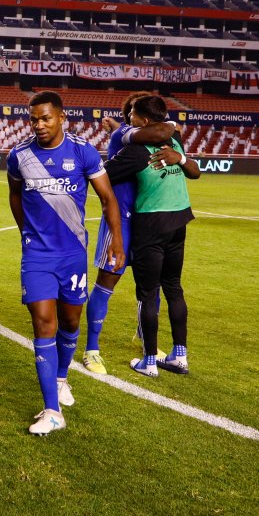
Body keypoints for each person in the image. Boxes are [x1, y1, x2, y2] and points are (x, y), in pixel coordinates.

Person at [8, 91, 125, 435]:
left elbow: (107, 198)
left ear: (61, 117)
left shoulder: (82, 151)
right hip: (37, 254)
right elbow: (15, 196)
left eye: (45, 118)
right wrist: (25, 232)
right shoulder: (19, 156)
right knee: (43, 321)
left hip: (72, 254)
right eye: (33, 119)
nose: (39, 125)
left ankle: (61, 378)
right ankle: (52, 410)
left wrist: (116, 239)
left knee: (70, 320)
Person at [102, 95, 201, 378]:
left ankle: (148, 361)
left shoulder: (136, 151)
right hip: (179, 221)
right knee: (174, 288)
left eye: (132, 114)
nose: (128, 118)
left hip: (151, 225)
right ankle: (180, 356)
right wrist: (178, 158)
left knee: (147, 293)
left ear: (143, 121)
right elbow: (193, 172)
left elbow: (103, 175)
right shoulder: (173, 142)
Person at [87, 92, 173, 375]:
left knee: (151, 286)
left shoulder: (143, 136)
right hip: (119, 221)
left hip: (146, 221)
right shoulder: (126, 135)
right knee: (106, 282)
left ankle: (147, 341)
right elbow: (165, 129)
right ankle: (91, 349)